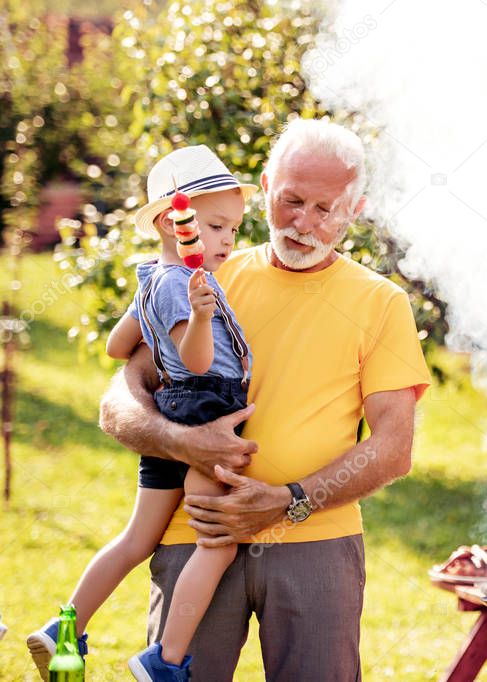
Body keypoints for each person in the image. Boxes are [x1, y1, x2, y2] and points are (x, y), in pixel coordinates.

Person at [97, 118, 431, 681]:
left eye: (326, 209)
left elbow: (394, 447)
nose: (304, 223)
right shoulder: (207, 277)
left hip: (315, 540)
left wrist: (288, 499)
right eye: (291, 200)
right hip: (197, 529)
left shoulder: (381, 303)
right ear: (266, 183)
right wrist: (181, 441)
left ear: (355, 209)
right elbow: (120, 399)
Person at [26, 144, 258, 681]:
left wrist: (155, 327)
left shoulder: (152, 277)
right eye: (217, 227)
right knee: (216, 543)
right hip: (207, 406)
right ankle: (167, 660)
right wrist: (199, 318)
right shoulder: (186, 285)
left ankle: (67, 625)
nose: (228, 240)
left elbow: (116, 345)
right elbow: (197, 361)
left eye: (233, 230)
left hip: (168, 407)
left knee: (136, 538)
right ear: (170, 220)